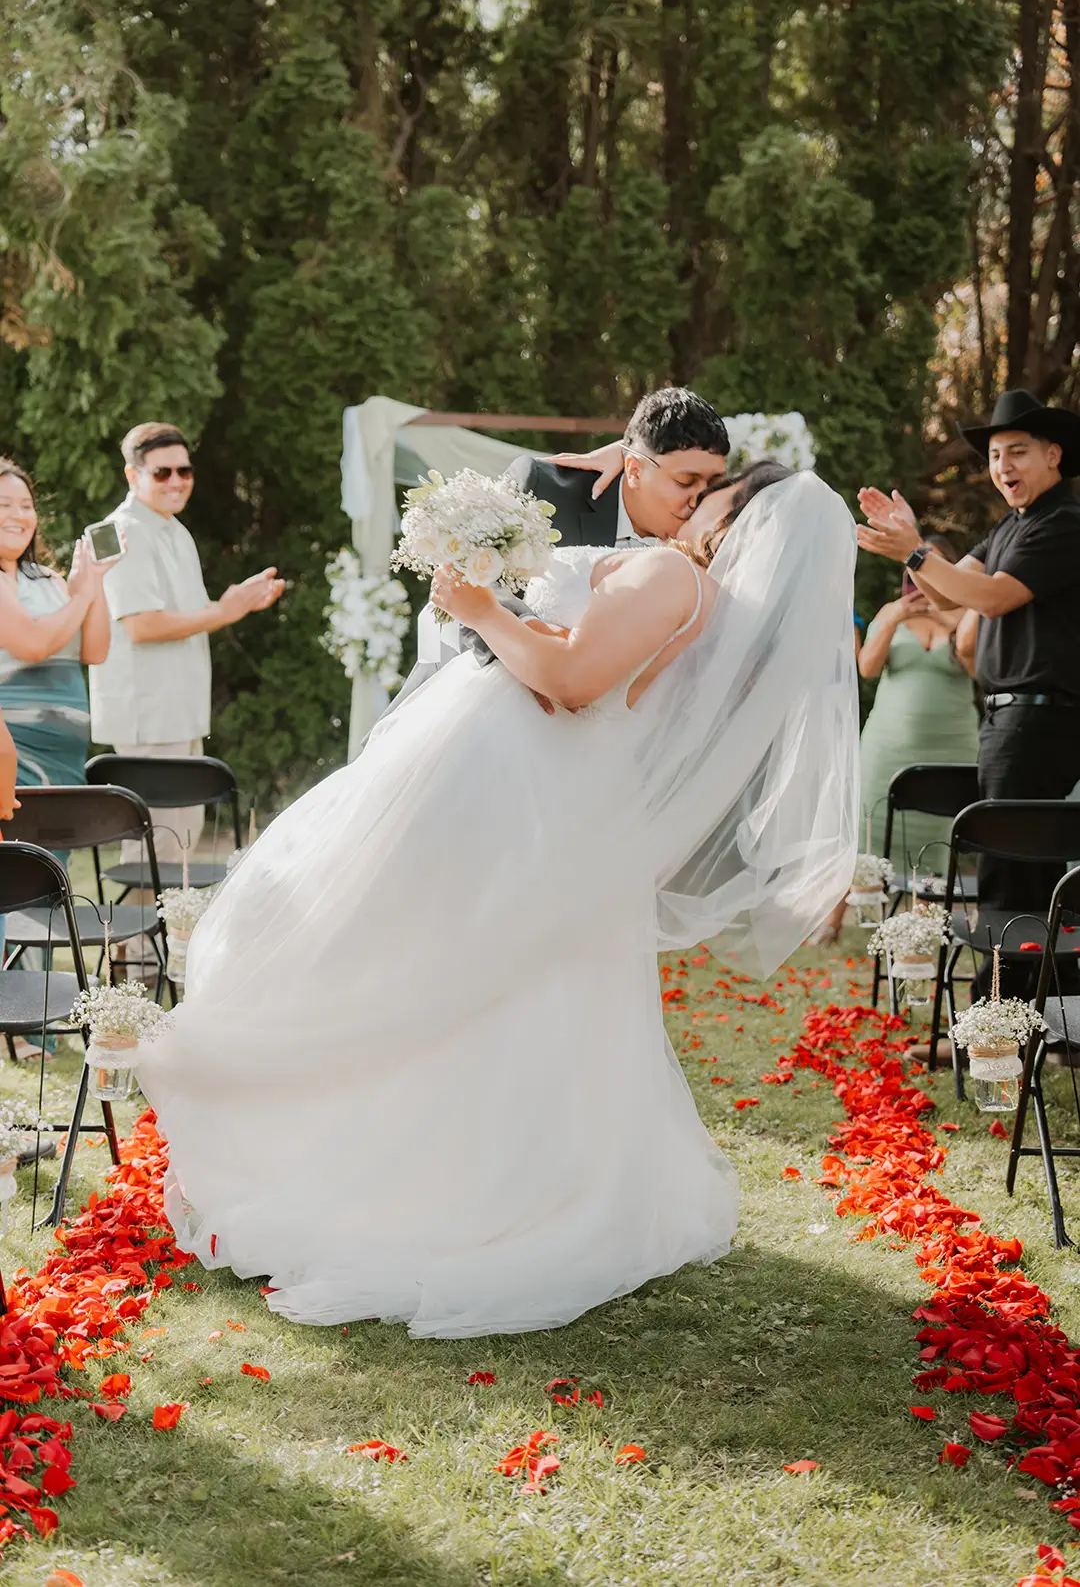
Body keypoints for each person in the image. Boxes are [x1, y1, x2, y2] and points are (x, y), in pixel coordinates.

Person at [137, 471, 858, 1339]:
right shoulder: (700, 599)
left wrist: (480, 609)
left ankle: (440, 1186)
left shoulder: (672, 577)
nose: (692, 496)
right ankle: (486, 1172)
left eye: (710, 488)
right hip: (553, 794)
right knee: (501, 987)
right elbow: (579, 659)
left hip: (527, 787)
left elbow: (570, 682)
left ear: (730, 516)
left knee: (428, 963)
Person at [857, 389, 1080, 993]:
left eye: (1018, 452)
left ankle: (1008, 1015)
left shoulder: (1063, 524)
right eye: (995, 456)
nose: (1003, 466)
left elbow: (994, 598)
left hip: (1039, 721)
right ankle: (1040, 1013)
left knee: (1015, 870)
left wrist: (916, 549)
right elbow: (953, 593)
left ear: (1053, 455)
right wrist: (911, 542)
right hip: (1008, 722)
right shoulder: (1012, 525)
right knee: (1018, 866)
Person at [394, 388, 730, 700]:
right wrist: (536, 641)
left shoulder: (710, 541)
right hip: (474, 694)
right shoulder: (547, 490)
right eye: (685, 481)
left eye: (713, 483)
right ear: (634, 470)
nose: (699, 498)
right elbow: (469, 580)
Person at [89, 423, 285, 860]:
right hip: (148, 713)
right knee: (156, 847)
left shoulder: (175, 531)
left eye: (185, 471)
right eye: (162, 473)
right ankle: (138, 933)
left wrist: (237, 602)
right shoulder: (113, 531)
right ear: (131, 475)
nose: (177, 481)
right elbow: (141, 625)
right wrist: (225, 610)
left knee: (181, 839)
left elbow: (185, 616)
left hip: (180, 711)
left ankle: (165, 932)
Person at [856, 535, 978, 868]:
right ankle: (835, 921)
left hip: (951, 749)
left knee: (938, 847)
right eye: (913, 566)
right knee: (868, 836)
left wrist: (947, 620)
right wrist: (893, 619)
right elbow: (867, 667)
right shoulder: (891, 611)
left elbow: (980, 673)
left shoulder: (969, 616)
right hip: (888, 750)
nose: (919, 575)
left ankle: (925, 918)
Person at [0, 460, 113, 788]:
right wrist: (80, 597)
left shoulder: (48, 579)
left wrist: (95, 583)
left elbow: (95, 650)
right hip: (13, 755)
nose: (18, 515)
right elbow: (33, 645)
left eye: (25, 506)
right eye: (4, 505)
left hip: (64, 758)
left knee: (55, 838)